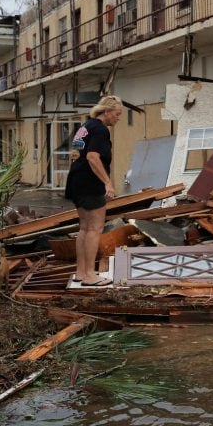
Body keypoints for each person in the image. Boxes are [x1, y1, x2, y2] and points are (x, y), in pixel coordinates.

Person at [64, 95, 124, 286]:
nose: (119, 118)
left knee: (84, 228)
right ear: (106, 112)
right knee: (94, 228)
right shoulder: (100, 129)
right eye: (117, 114)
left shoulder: (86, 127)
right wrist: (108, 182)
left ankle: (81, 272)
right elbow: (92, 157)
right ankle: (90, 275)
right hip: (90, 183)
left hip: (76, 181)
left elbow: (78, 155)